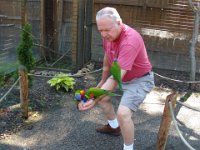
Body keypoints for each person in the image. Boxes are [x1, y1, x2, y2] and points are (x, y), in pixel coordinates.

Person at [78, 7, 154, 150]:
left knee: (123, 114)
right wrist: (102, 81)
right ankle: (114, 127)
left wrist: (93, 97)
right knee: (104, 98)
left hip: (139, 79)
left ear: (119, 22)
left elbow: (115, 78)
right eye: (101, 30)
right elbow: (108, 57)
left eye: (107, 30)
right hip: (121, 77)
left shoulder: (130, 40)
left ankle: (128, 148)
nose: (104, 34)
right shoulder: (109, 36)